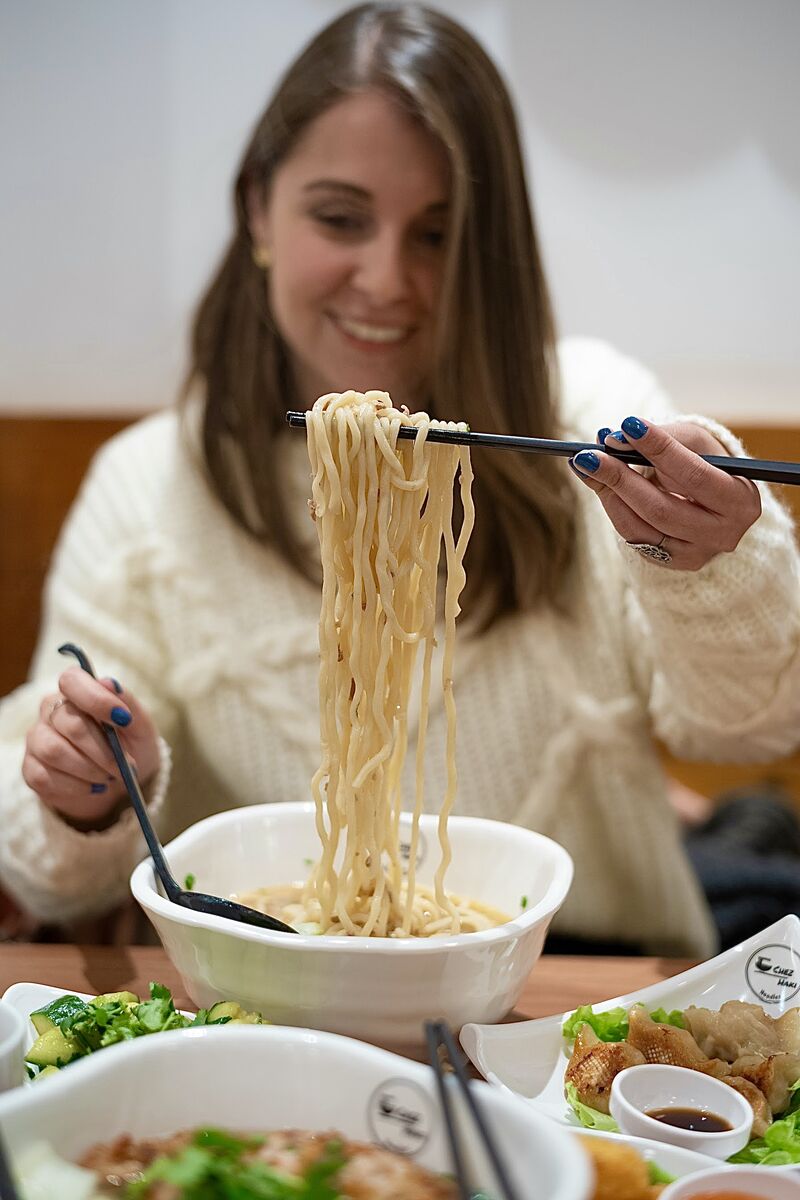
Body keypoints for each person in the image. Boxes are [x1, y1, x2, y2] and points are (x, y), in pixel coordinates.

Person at [1, 2, 798, 957]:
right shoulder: (147, 486)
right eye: (340, 217)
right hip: (281, 996)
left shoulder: (585, 408)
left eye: (436, 233)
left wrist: (711, 562)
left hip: (586, 995)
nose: (385, 278)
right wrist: (89, 789)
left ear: (488, 242)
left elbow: (749, 729)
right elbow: (41, 866)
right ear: (258, 206)